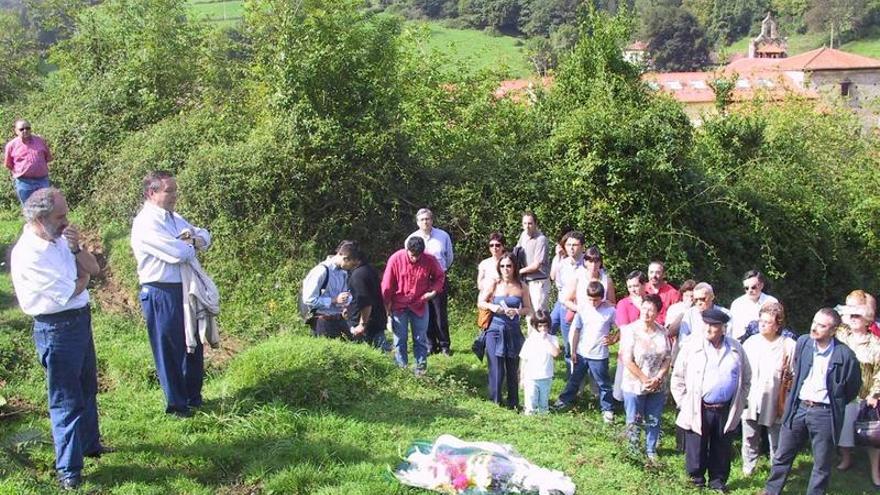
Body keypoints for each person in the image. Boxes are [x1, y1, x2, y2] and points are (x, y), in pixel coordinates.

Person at [10, 188, 107, 490]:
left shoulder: (61, 239)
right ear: (40, 219)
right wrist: (82, 280)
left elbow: (93, 270)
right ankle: (69, 471)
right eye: (61, 216)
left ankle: (90, 445)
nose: (67, 221)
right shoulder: (29, 253)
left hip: (79, 321)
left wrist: (77, 250)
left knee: (88, 386)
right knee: (65, 399)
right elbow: (71, 290)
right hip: (56, 328)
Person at [131, 171, 211, 417]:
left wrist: (192, 241)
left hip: (184, 288)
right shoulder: (146, 222)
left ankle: (192, 398)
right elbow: (178, 253)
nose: (175, 195)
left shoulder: (173, 218)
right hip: (161, 290)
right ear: (151, 193)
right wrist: (191, 243)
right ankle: (176, 405)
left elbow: (205, 236)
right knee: (170, 348)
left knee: (192, 343)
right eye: (169, 191)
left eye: (175, 190)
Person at [762, 308, 862, 495]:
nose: (814, 328)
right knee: (783, 453)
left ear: (833, 330)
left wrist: (831, 403)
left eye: (821, 325)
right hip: (798, 407)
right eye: (814, 322)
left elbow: (852, 388)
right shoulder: (803, 343)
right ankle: (770, 490)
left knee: (822, 462)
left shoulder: (845, 355)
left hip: (824, 413)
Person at [671, 308, 751, 492]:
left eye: (713, 325)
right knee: (696, 448)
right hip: (698, 406)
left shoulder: (735, 348)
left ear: (723, 327)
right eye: (705, 323)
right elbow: (677, 378)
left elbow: (746, 377)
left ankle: (717, 482)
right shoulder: (691, 347)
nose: (708, 328)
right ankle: (695, 481)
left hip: (725, 408)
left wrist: (739, 402)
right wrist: (684, 404)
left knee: (722, 447)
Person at [740, 302, 797, 477]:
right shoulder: (751, 342)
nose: (762, 325)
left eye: (768, 322)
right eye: (761, 321)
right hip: (752, 397)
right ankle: (748, 467)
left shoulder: (788, 345)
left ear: (778, 324)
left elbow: (793, 375)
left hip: (776, 398)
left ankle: (777, 469)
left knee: (776, 438)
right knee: (749, 435)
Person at [553, 281, 616, 422]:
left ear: (602, 297)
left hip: (599, 354)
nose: (593, 303)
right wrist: (574, 350)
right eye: (590, 299)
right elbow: (576, 330)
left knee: (603, 383)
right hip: (582, 353)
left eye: (596, 300)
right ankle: (564, 401)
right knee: (574, 380)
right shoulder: (583, 309)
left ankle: (607, 409)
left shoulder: (610, 311)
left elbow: (621, 328)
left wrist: (613, 339)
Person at [381, 236, 445, 376]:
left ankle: (420, 370)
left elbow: (440, 277)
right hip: (399, 306)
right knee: (400, 339)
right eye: (412, 255)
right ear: (407, 249)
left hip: (420, 304)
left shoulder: (430, 259)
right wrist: (386, 309)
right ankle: (401, 369)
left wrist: (433, 291)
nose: (415, 258)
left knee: (420, 339)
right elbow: (387, 286)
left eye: (418, 255)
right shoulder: (395, 259)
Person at [620, 293, 671, 461]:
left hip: (657, 384)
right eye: (644, 308)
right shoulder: (630, 331)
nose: (647, 313)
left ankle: (651, 449)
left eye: (651, 310)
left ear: (657, 313)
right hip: (634, 383)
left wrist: (658, 377)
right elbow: (627, 359)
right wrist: (644, 378)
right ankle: (633, 449)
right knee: (634, 418)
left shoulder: (662, 331)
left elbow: (668, 358)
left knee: (654, 418)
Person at [477, 252, 531, 409]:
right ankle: (495, 400)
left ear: (514, 267)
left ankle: (513, 403)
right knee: (496, 367)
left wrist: (517, 311)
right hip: (494, 329)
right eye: (502, 266)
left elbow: (528, 308)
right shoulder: (494, 283)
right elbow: (480, 302)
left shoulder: (522, 286)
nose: (506, 269)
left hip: (513, 330)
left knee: (512, 368)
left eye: (509, 266)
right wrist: (493, 306)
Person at [834, 303, 880, 482]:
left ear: (867, 320)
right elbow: (834, 317)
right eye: (850, 315)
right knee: (844, 431)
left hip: (865, 396)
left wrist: (875, 394)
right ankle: (846, 459)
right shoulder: (841, 336)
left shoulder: (876, 345)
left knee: (872, 436)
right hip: (844, 393)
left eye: (857, 316)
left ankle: (875, 472)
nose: (852, 318)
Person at [407, 208, 454, 355]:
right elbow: (409, 260)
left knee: (440, 313)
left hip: (439, 278)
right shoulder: (411, 239)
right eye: (422, 220)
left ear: (432, 220)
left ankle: (444, 345)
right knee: (425, 313)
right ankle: (430, 345)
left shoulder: (443, 236)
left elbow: (449, 257)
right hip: (420, 281)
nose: (425, 222)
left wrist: (440, 271)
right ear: (417, 222)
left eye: (427, 219)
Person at [301, 241, 357, 338]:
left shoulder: (343, 273)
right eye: (351, 265)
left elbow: (342, 296)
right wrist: (334, 300)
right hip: (323, 321)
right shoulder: (321, 271)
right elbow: (308, 299)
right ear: (345, 259)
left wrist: (345, 303)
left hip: (339, 319)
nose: (352, 268)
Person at [549, 231, 585, 374]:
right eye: (568, 245)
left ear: (582, 247)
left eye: (575, 245)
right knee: (546, 328)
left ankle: (573, 380)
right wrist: (557, 257)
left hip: (572, 306)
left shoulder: (587, 264)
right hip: (560, 303)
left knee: (569, 343)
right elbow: (554, 278)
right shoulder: (562, 263)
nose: (571, 248)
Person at [613, 270, 648, 401]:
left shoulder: (651, 301)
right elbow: (624, 329)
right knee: (621, 387)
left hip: (649, 346)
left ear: (644, 285)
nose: (633, 289)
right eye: (630, 287)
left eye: (636, 286)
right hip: (630, 346)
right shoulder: (623, 304)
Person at [346, 246, 388, 350]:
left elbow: (365, 303)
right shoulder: (369, 269)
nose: (344, 263)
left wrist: (362, 324)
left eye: (347, 259)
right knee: (382, 353)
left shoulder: (358, 275)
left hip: (365, 326)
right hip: (376, 320)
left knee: (367, 355)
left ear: (354, 260)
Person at [519, 310, 560, 415]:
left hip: (546, 376)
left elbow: (555, 353)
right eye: (540, 326)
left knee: (544, 404)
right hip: (531, 377)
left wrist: (546, 340)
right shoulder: (530, 340)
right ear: (535, 326)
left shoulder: (553, 339)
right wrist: (522, 378)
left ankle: (543, 419)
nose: (543, 329)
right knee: (530, 402)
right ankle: (529, 419)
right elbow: (524, 359)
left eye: (545, 326)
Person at [4, 119, 53, 204]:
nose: (25, 131)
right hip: (24, 182)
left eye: (27, 128)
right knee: (29, 209)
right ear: (16, 131)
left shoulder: (40, 141)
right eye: (21, 129)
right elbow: (8, 164)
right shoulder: (11, 145)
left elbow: (48, 158)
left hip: (42, 181)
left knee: (46, 208)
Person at [729, 270, 778, 340]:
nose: (750, 290)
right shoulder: (737, 304)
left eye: (753, 287)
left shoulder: (771, 301)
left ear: (761, 285)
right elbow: (732, 329)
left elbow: (776, 324)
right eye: (746, 288)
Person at [516, 211, 549, 312]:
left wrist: (518, 271)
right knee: (529, 313)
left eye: (530, 223)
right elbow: (516, 252)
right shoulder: (523, 235)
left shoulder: (541, 239)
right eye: (525, 223)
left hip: (538, 282)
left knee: (539, 314)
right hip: (526, 281)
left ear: (536, 224)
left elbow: (536, 265)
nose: (527, 226)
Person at [646, 260, 680, 326]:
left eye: (657, 272)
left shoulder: (673, 293)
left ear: (664, 274)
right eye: (651, 272)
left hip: (665, 331)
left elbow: (677, 316)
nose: (654, 275)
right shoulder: (642, 290)